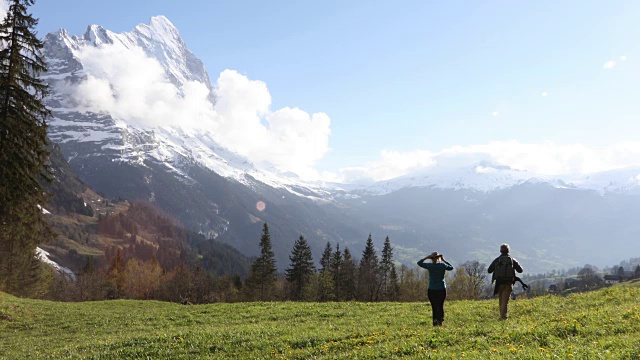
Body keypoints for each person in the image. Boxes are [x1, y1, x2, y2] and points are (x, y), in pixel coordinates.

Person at [487, 243, 523, 320]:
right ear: (508, 251)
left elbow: (489, 270)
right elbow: (520, 270)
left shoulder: (497, 260)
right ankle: (503, 317)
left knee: (501, 300)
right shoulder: (512, 260)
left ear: (500, 251)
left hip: (499, 283)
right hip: (508, 283)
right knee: (505, 301)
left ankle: (502, 316)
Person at [417, 251, 454, 326]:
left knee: (434, 306)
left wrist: (427, 257)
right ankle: (440, 320)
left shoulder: (430, 266)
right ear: (438, 258)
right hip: (441, 289)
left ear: (432, 259)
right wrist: (444, 260)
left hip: (432, 289)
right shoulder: (442, 265)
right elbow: (451, 268)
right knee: (440, 305)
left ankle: (435, 323)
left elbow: (419, 263)